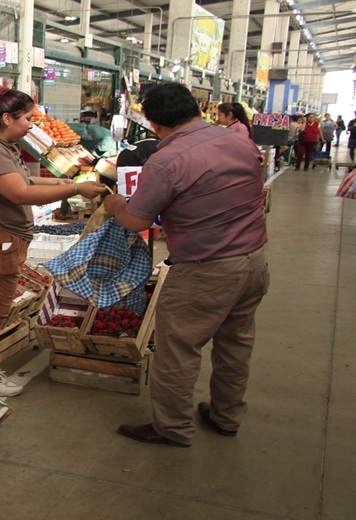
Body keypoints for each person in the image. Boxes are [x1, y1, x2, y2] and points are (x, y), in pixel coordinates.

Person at [102, 82, 270, 447]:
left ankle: (172, 427)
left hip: (205, 269)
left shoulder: (166, 160)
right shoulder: (240, 141)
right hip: (254, 261)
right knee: (235, 344)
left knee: (177, 349)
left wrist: (114, 204)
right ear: (196, 110)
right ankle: (227, 415)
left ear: (154, 124)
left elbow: (137, 221)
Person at [0, 84, 106, 397]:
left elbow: (22, 180)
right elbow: (19, 193)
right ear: (7, 118)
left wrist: (61, 181)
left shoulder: (0, 147)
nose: (32, 125)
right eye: (27, 119)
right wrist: (74, 190)